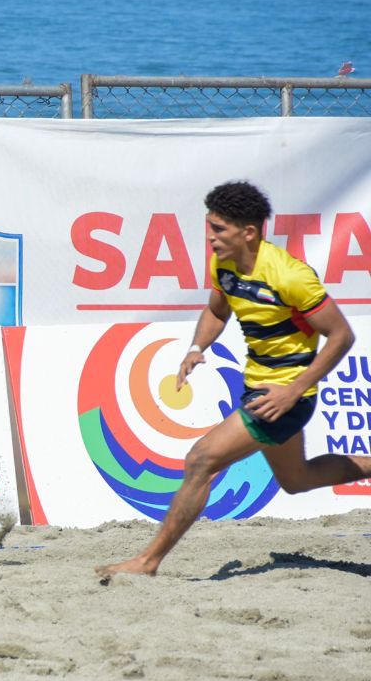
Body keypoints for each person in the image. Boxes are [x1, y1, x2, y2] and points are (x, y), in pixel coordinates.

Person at [97, 180, 370, 583]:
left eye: (219, 229)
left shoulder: (290, 275)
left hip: (283, 397)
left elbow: (341, 336)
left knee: (201, 460)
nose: (210, 237)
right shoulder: (224, 266)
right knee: (297, 480)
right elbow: (216, 311)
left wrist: (293, 391)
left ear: (249, 232)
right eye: (209, 227)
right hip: (258, 387)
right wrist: (196, 347)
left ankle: (148, 561)